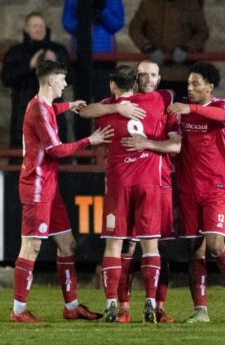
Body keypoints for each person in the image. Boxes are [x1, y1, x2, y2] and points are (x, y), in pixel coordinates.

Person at [9, 60, 112, 323]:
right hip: (37, 187)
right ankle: (18, 310)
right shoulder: (38, 110)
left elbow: (50, 110)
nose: (65, 84)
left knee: (67, 245)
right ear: (51, 80)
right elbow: (55, 150)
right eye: (62, 79)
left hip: (50, 188)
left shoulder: (43, 106)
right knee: (30, 248)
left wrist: (69, 105)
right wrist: (90, 141)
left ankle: (72, 306)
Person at [80, 65, 176, 323]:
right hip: (148, 182)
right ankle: (150, 302)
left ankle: (112, 304)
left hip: (118, 184)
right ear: (134, 83)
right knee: (151, 245)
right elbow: (171, 97)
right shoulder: (156, 100)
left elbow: (83, 110)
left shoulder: (105, 110)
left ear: (112, 87)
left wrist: (114, 107)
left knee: (114, 244)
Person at [167, 61, 225, 323]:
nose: (190, 88)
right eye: (189, 84)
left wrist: (190, 108)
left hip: (215, 186)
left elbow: (223, 118)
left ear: (210, 87)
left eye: (196, 84)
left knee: (214, 245)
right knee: (195, 250)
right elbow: (173, 135)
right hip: (189, 187)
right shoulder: (181, 112)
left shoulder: (220, 106)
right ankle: (200, 309)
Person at [116, 60, 179, 323]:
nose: (148, 79)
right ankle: (123, 307)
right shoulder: (122, 102)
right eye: (143, 75)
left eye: (153, 74)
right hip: (128, 183)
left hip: (158, 182)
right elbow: (92, 111)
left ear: (160, 77)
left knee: (158, 246)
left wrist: (147, 143)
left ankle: (158, 306)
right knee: (128, 247)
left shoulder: (166, 99)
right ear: (135, 78)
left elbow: (176, 145)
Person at [62, 0, 124, 139]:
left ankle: (104, 149)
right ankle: (82, 151)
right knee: (81, 104)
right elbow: (68, 25)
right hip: (80, 58)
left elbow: (116, 25)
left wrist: (102, 10)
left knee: (104, 102)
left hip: (105, 58)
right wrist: (86, 12)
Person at [129, 0, 209, 101]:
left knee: (179, 110)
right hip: (154, 71)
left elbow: (202, 32)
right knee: (154, 109)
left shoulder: (189, 4)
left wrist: (186, 48)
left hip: (182, 71)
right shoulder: (148, 3)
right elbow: (135, 29)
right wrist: (148, 47)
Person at [1, 12, 72, 149]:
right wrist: (29, 66)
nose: (38, 29)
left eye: (41, 26)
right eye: (34, 26)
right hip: (24, 109)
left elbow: (71, 78)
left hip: (52, 110)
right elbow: (7, 78)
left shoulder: (58, 50)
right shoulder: (15, 52)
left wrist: (55, 64)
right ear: (27, 29)